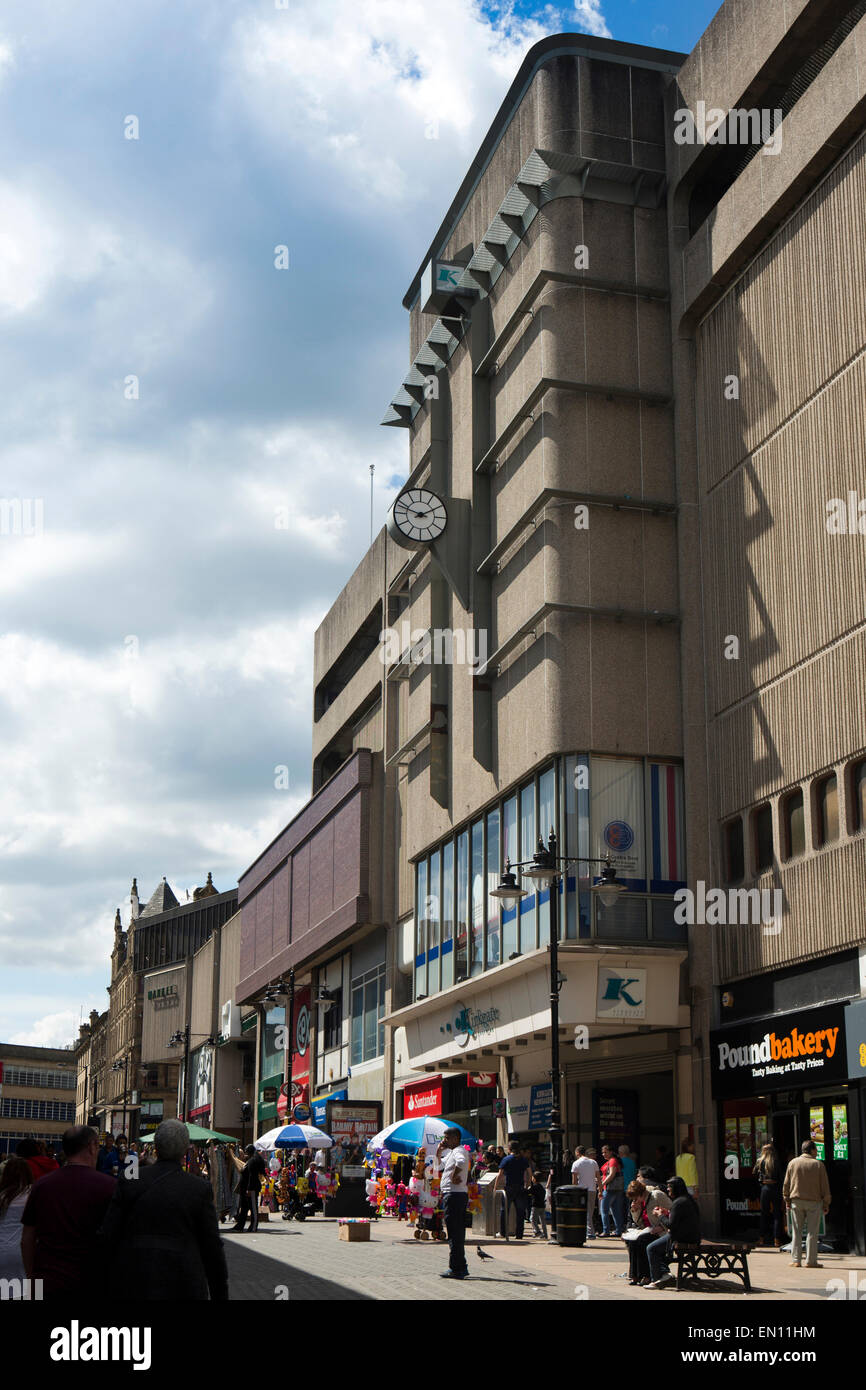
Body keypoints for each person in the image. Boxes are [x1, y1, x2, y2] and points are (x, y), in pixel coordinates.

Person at [99, 1118, 228, 1300]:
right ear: (185, 1150)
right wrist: (220, 1293)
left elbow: (108, 1235)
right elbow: (212, 1248)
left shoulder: (130, 1181)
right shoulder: (198, 1188)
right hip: (183, 1283)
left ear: (156, 1148)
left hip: (135, 1280)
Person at [20, 1125, 116, 1299]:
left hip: (48, 1281)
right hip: (92, 1282)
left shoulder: (42, 1186)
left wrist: (31, 1278)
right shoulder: (110, 1187)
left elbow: (27, 1239)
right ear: (92, 1146)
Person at [646, 1176, 701, 1288]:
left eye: (670, 1187)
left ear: (677, 1188)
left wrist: (660, 1215)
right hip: (692, 1236)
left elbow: (670, 1225)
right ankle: (664, 1274)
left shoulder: (679, 1202)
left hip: (682, 1238)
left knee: (651, 1248)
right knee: (656, 1246)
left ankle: (657, 1279)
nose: (668, 1189)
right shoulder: (687, 1199)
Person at [783, 1140, 831, 1269]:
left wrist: (787, 1200)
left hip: (796, 1202)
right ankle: (811, 1261)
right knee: (812, 1232)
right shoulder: (818, 1165)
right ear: (812, 1150)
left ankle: (796, 1260)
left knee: (797, 1232)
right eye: (816, 1149)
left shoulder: (792, 1163)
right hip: (814, 1203)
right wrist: (826, 1203)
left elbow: (786, 1184)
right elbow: (824, 1186)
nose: (817, 1152)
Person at [623, 1175, 670, 1285]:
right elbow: (639, 1222)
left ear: (641, 1194)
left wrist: (662, 1227)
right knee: (632, 1242)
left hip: (661, 1231)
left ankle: (646, 1275)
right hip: (647, 1229)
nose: (634, 1200)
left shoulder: (656, 1195)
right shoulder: (638, 1201)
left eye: (635, 1198)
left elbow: (672, 1212)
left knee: (642, 1241)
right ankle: (635, 1275)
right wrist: (635, 1210)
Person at [437, 1128, 470, 1279]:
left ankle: (457, 1268)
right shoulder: (452, 1152)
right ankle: (460, 1266)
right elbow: (439, 1166)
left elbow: (462, 1162)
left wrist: (454, 1175)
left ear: (455, 1138)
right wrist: (439, 1151)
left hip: (454, 1195)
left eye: (447, 1137)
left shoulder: (459, 1150)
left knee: (454, 1232)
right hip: (454, 1195)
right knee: (456, 1232)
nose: (445, 1140)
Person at [0, 1156, 33, 1286]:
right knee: (33, 1294)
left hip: (2, 1253)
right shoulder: (34, 1194)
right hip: (27, 1256)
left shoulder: (2, 1197)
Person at [494, 1140, 531, 1240]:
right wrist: (527, 1184)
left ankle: (503, 1232)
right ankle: (519, 1234)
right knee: (520, 1212)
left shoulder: (506, 1159)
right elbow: (529, 1172)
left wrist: (495, 1187)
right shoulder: (523, 1160)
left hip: (509, 1187)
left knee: (504, 1210)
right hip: (520, 1187)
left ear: (509, 1149)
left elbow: (500, 1174)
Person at [228, 1143, 267, 1232]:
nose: (246, 1154)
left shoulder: (253, 1161)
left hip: (251, 1188)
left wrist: (249, 1189)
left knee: (253, 1208)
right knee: (244, 1208)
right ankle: (240, 1225)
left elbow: (252, 1176)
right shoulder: (251, 1160)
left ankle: (253, 1226)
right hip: (246, 1188)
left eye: (246, 1152)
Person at [753, 1142, 785, 1248]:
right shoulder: (776, 1161)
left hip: (765, 1189)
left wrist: (761, 1185)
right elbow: (781, 1177)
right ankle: (777, 1240)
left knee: (764, 1214)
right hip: (775, 1187)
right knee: (777, 1214)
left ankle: (761, 1239)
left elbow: (755, 1175)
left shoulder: (760, 1161)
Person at [571, 1145, 602, 1240]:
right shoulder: (593, 1162)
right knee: (590, 1212)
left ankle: (590, 1232)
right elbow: (599, 1178)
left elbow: (574, 1181)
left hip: (581, 1190)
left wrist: (574, 1191)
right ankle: (589, 1231)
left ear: (577, 1153)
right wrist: (600, 1190)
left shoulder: (576, 1163)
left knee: (583, 1212)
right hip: (592, 1189)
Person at [599, 1144, 625, 1237]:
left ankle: (606, 1231)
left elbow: (612, 1175)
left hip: (610, 1189)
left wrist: (601, 1184)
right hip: (616, 1189)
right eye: (602, 1152)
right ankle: (618, 1230)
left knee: (604, 1210)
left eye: (605, 1152)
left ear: (611, 1152)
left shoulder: (612, 1160)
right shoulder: (613, 1160)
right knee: (616, 1210)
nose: (603, 1154)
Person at [529, 1171, 548, 1239]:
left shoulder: (534, 1187)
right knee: (543, 1221)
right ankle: (545, 1235)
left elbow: (528, 1192)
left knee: (532, 1219)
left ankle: (538, 1232)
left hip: (535, 1206)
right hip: (542, 1205)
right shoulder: (541, 1187)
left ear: (534, 1179)